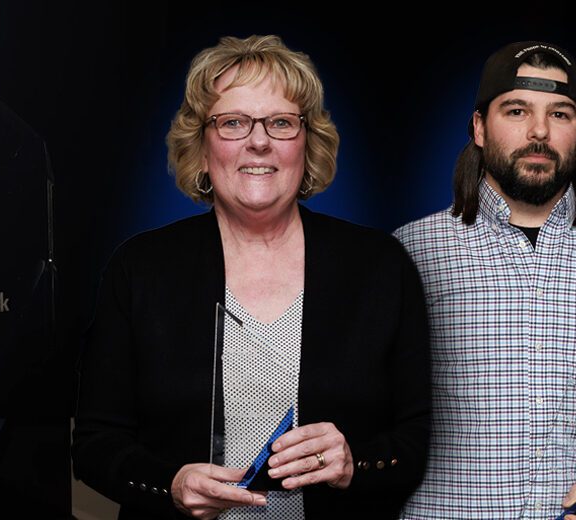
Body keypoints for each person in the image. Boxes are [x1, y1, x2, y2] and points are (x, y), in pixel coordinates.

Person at [73, 35, 430, 520]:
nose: (258, 140)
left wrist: (354, 463)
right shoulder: (139, 269)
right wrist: (169, 484)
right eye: (233, 122)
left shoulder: (380, 266)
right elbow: (95, 444)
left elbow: (415, 439)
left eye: (281, 122)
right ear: (201, 149)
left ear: (308, 145)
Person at [393, 41, 576, 519]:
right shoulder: (410, 253)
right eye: (516, 110)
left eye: (560, 114)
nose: (538, 131)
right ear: (478, 127)